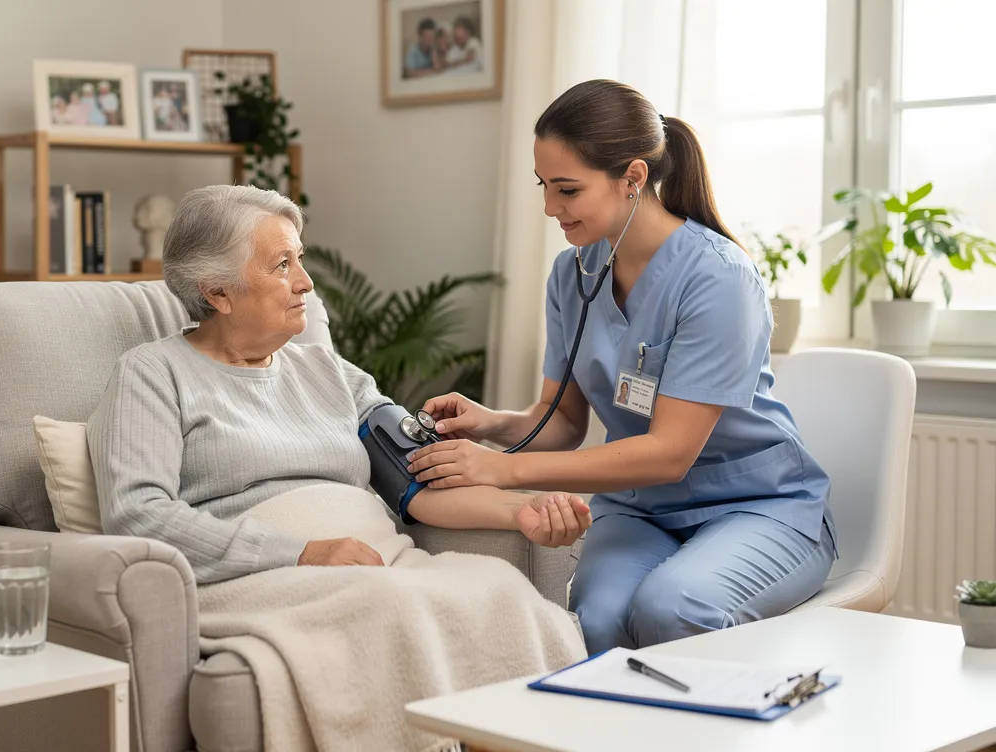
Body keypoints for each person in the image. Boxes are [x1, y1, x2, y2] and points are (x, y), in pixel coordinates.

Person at [408, 79, 837, 655]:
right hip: (642, 509)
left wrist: (501, 471)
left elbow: (669, 452)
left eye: (567, 190)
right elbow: (561, 422)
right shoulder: (572, 275)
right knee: (598, 621)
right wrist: (491, 424)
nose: (548, 208)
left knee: (674, 607)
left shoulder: (717, 278)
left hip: (759, 504)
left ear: (632, 178)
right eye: (543, 186)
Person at [88, 184, 593, 586]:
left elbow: (417, 481)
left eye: (299, 259)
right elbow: (138, 516)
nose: (306, 282)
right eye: (283, 264)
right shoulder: (151, 375)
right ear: (217, 292)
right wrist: (302, 554)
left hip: (375, 567)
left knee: (500, 599)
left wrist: (522, 509)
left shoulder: (331, 373)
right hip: (267, 578)